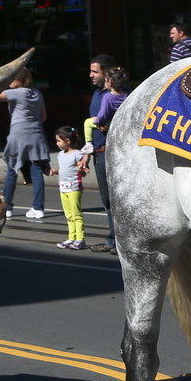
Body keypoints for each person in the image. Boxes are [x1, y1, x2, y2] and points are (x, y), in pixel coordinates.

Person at [0, 66, 50, 219]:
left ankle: (7, 207)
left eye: (12, 79)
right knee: (36, 171)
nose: (10, 82)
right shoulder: (37, 93)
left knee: (12, 171)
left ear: (20, 80)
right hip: (37, 134)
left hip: (18, 134)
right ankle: (38, 208)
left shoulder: (15, 93)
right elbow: (43, 116)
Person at [82, 54, 117, 253]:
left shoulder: (116, 93)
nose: (91, 75)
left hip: (110, 152)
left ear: (106, 73)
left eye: (95, 71)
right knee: (106, 199)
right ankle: (112, 238)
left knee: (115, 199)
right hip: (97, 153)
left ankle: (118, 240)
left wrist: (109, 127)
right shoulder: (97, 94)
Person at [50, 125, 87, 249]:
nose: (57, 143)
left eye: (58, 141)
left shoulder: (77, 154)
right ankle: (71, 238)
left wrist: (81, 169)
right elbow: (64, 170)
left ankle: (80, 239)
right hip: (63, 188)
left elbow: (83, 172)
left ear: (67, 141)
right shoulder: (60, 155)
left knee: (76, 214)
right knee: (68, 215)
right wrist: (56, 171)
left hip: (74, 187)